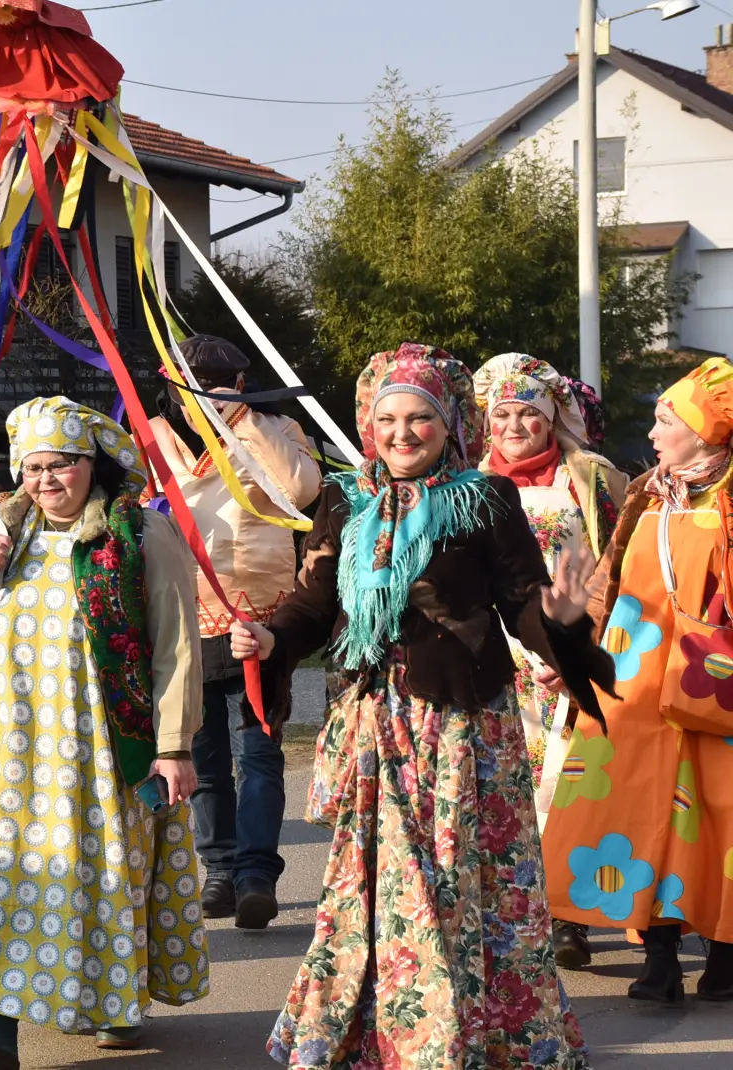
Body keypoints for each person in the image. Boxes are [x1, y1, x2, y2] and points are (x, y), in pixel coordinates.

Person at [231, 344, 610, 1069]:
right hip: (376, 723)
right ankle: (378, 1032)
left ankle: (465, 1036)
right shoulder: (347, 502)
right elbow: (316, 604)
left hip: (461, 726)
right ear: (369, 426)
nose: (403, 434)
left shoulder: (482, 497)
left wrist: (558, 618)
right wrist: (271, 635)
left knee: (457, 884)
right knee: (368, 886)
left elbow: (523, 604)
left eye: (420, 419)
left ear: (448, 426)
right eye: (389, 419)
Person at [0, 396, 209, 1069]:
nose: (46, 480)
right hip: (9, 745)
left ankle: (115, 1001)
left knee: (102, 869)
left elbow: (176, 649)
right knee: (5, 870)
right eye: (34, 467)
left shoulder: (140, 534)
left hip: (106, 742)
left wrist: (173, 747)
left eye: (62, 465)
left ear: (95, 464)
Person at [542, 357, 733, 1005]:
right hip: (632, 690)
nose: (652, 433)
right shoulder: (648, 491)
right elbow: (608, 585)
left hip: (713, 692)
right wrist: (574, 648)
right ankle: (659, 959)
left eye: (665, 419)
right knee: (634, 814)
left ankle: (726, 958)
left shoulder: (732, 498)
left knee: (715, 825)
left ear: (704, 430)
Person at [147, 335, 321, 929]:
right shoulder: (153, 439)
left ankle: (255, 875)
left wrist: (244, 423)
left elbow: (301, 492)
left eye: (216, 384)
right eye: (188, 384)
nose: (199, 396)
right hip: (182, 616)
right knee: (205, 755)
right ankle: (217, 869)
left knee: (259, 751)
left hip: (261, 618)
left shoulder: (278, 431)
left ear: (240, 385)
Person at [474, 355, 625, 969]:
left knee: (568, 787)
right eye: (503, 414)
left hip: (572, 649)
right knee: (505, 791)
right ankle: (516, 915)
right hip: (497, 657)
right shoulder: (468, 481)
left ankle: (568, 917)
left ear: (551, 417)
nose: (515, 425)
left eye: (528, 414)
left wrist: (582, 650)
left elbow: (618, 569)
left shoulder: (591, 477)